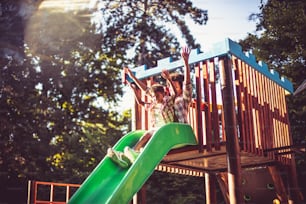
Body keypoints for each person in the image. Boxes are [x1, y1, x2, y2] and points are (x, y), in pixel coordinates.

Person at [107, 67, 177, 168]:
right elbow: (140, 101)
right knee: (146, 136)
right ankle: (127, 158)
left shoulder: (167, 103)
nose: (154, 98)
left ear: (163, 94)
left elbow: (174, 94)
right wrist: (134, 89)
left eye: (157, 95)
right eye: (152, 96)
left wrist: (169, 79)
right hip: (156, 130)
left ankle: (134, 152)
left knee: (148, 135)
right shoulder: (152, 105)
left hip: (166, 130)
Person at [162, 46, 192, 124]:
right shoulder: (167, 100)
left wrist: (186, 63)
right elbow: (151, 91)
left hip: (181, 128)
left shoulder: (183, 98)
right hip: (169, 130)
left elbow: (187, 83)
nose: (172, 88)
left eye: (175, 86)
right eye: (171, 86)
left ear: (181, 87)